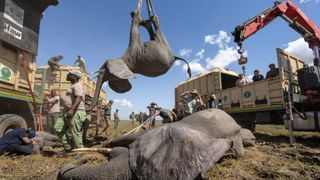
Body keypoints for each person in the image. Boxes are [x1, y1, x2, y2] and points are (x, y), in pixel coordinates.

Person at [54, 69, 86, 151]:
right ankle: (68, 147)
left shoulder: (77, 85)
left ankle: (80, 151)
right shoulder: (72, 85)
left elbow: (79, 98)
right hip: (67, 112)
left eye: (70, 74)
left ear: (75, 77)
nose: (67, 75)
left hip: (76, 111)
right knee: (58, 127)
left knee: (75, 133)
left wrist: (72, 109)